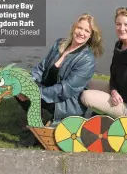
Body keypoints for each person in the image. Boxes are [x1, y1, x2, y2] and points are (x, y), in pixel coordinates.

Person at [15, 13, 104, 145]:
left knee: (31, 92)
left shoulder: (87, 59)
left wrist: (34, 93)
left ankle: (37, 134)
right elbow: (41, 68)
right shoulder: (59, 43)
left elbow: (65, 89)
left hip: (66, 101)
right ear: (74, 28)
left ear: (90, 35)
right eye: (80, 28)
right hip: (47, 90)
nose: (81, 33)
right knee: (17, 85)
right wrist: (27, 83)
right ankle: (36, 121)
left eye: (86, 31)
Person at [81, 7, 127, 119]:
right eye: (118, 24)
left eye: (126, 25)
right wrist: (114, 91)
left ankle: (106, 116)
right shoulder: (120, 45)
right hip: (120, 93)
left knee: (85, 96)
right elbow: (114, 75)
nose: (121, 28)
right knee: (85, 82)